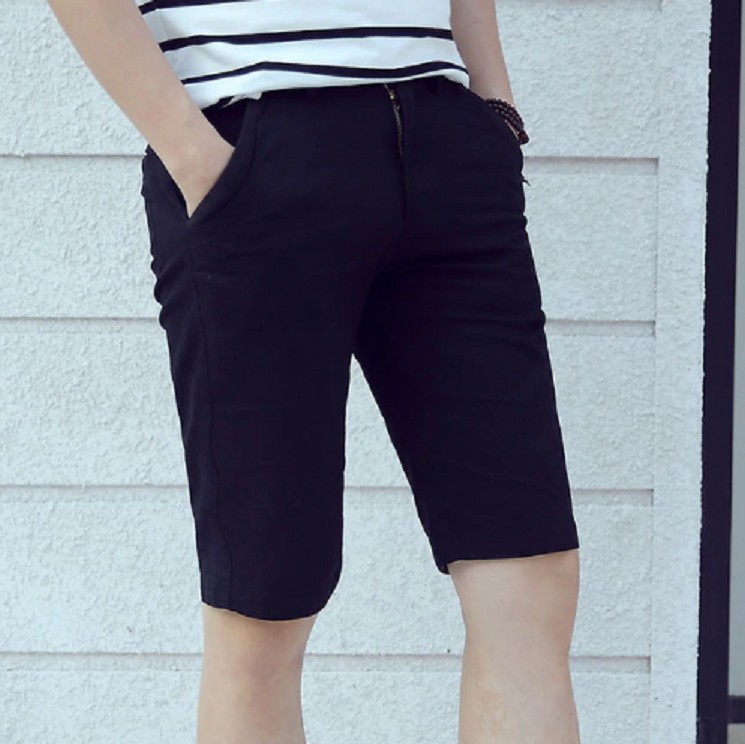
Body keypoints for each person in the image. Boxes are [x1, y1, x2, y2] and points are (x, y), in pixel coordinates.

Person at [46, 0, 582, 742]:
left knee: (529, 571)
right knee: (263, 606)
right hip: (255, 149)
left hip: (446, 146)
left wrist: (494, 108)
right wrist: (195, 157)